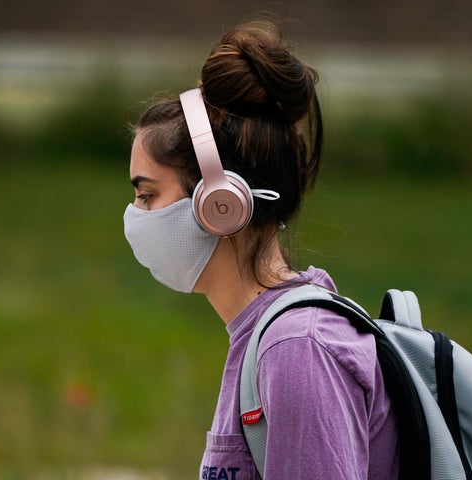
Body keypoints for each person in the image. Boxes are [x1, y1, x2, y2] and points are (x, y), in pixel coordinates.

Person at [122, 18, 399, 480]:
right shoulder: (264, 339)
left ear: (220, 203)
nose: (134, 215)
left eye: (147, 195)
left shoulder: (298, 352)